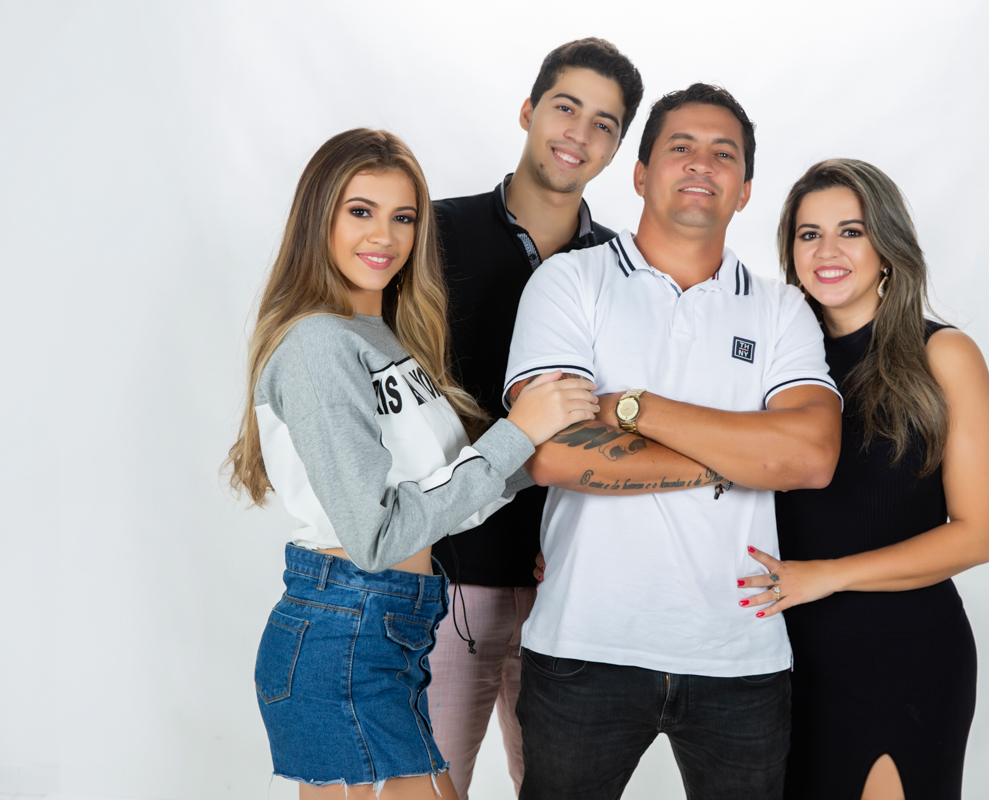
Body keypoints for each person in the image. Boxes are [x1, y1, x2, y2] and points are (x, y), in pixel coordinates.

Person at [225, 128, 598, 800]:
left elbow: (449, 494)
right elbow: (375, 539)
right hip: (344, 631)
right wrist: (518, 432)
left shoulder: (387, 338)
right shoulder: (318, 345)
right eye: (360, 211)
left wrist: (538, 450)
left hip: (387, 633)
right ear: (319, 219)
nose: (385, 237)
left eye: (404, 217)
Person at [504, 84, 842, 800]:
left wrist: (635, 409)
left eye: (724, 154)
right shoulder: (570, 282)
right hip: (583, 642)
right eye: (680, 147)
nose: (700, 164)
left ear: (744, 191)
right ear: (639, 174)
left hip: (741, 653)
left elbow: (810, 457)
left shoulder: (783, 308)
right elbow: (551, 453)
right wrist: (739, 458)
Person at [737, 158, 989, 800]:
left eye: (851, 232)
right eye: (809, 234)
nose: (827, 251)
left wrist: (825, 576)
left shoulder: (942, 355)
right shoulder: (771, 361)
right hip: (782, 653)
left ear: (887, 248)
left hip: (902, 652)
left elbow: (981, 534)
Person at [426, 37, 643, 799]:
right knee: (427, 786)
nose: (579, 133)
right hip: (443, 578)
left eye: (604, 124)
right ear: (528, 110)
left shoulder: (627, 270)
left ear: (618, 147)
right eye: (565, 107)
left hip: (569, 588)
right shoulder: (430, 234)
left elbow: (631, 428)